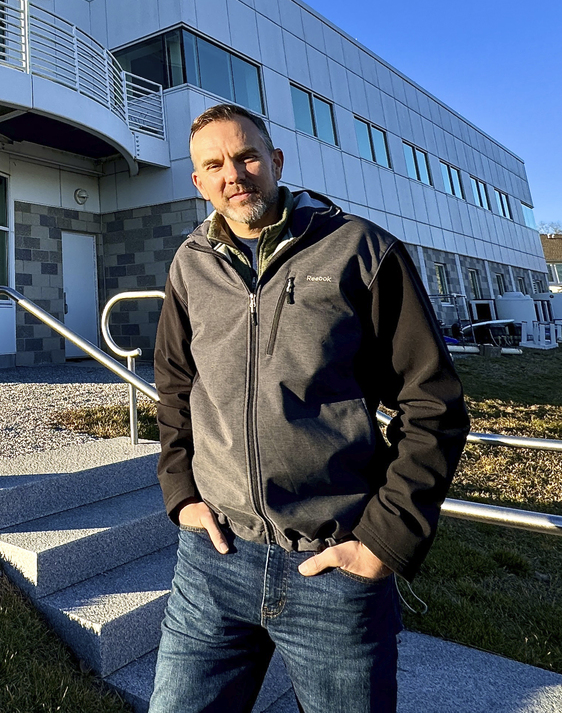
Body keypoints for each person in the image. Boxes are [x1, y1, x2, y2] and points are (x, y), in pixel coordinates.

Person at [149, 102, 470, 713]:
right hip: (214, 562)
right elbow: (175, 385)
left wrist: (385, 540)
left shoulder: (360, 250)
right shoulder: (190, 263)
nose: (233, 174)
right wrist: (181, 491)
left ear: (275, 160)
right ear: (198, 182)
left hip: (334, 567)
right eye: (213, 165)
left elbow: (432, 404)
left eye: (245, 156)